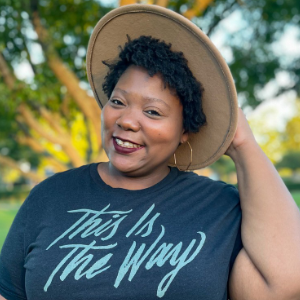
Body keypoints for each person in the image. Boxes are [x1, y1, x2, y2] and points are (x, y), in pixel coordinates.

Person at [1, 4, 300, 300]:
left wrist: (242, 143)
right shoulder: (49, 196)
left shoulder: (218, 208)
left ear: (185, 131)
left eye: (153, 111)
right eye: (118, 102)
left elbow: (286, 282)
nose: (127, 120)